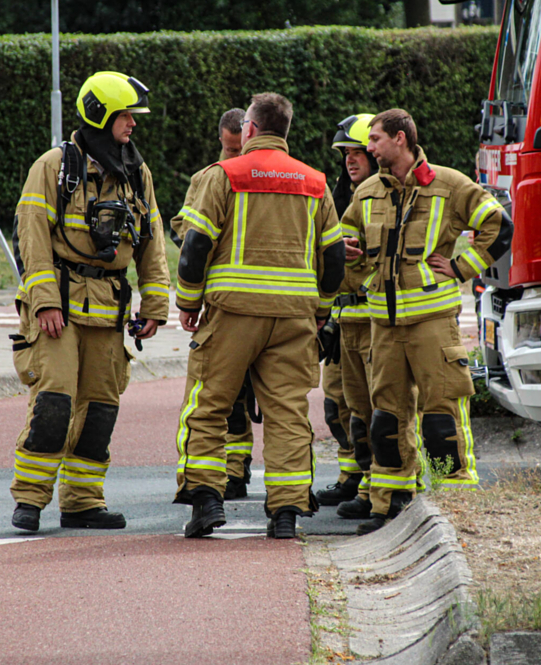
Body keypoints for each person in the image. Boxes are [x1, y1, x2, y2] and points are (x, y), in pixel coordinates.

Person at [173, 92, 345, 539]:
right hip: (294, 317)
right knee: (288, 412)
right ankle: (286, 512)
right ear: (285, 130)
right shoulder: (315, 182)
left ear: (249, 129)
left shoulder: (223, 175)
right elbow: (335, 259)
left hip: (233, 312)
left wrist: (189, 303)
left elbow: (194, 248)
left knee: (208, 405)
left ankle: (207, 501)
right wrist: (320, 313)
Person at [9, 72, 170, 532]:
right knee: (54, 404)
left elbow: (152, 241)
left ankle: (82, 502)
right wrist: (44, 303)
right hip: (59, 305)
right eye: (125, 115)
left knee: (100, 409)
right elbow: (32, 235)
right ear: (101, 115)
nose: (132, 125)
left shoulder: (137, 173)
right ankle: (30, 501)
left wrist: (154, 305)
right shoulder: (55, 166)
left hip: (108, 309)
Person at [341, 108, 512, 535]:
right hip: (384, 326)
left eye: (376, 139)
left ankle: (455, 502)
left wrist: (460, 267)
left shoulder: (450, 184)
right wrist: (360, 273)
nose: (369, 147)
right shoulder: (365, 192)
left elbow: (499, 225)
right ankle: (391, 503)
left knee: (441, 417)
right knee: (386, 420)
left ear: (400, 139)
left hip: (433, 323)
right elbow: (344, 243)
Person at [170, 108, 258, 500]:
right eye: (227, 148)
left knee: (266, 393)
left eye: (238, 148)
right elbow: (183, 228)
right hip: (222, 300)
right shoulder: (207, 178)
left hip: (256, 298)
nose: (233, 157)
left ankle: (235, 471)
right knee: (227, 392)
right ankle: (232, 472)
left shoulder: (266, 176)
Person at [314, 114, 378, 509]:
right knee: (338, 403)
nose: (349, 161)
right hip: (341, 319)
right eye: (345, 154)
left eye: (357, 153)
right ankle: (351, 474)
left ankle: (372, 482)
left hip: (372, 320)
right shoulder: (340, 197)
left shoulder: (384, 196)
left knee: (373, 404)